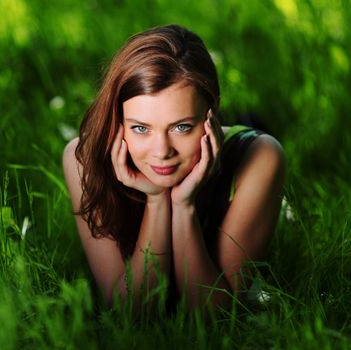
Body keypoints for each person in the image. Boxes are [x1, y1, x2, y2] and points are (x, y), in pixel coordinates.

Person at [62, 24, 285, 313]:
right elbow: (129, 311)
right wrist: (156, 201)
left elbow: (212, 315)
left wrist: (183, 205)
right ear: (117, 121)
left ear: (211, 113)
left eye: (182, 127)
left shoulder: (261, 156)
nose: (161, 151)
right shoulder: (84, 159)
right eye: (141, 128)